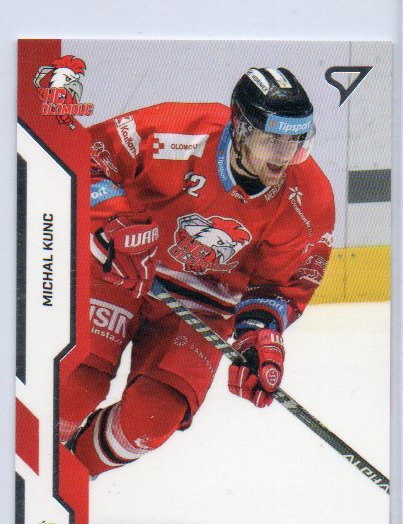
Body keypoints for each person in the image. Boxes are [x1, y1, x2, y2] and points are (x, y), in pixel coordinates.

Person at [60, 67, 335, 476]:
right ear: (240, 128)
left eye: (296, 140)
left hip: (203, 307)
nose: (284, 154)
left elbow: (280, 287)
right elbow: (82, 156)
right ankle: (22, 461)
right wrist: (112, 222)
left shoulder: (309, 199)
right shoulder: (175, 130)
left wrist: (258, 335)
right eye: (273, 139)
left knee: (151, 420)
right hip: (124, 270)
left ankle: (71, 480)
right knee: (75, 386)